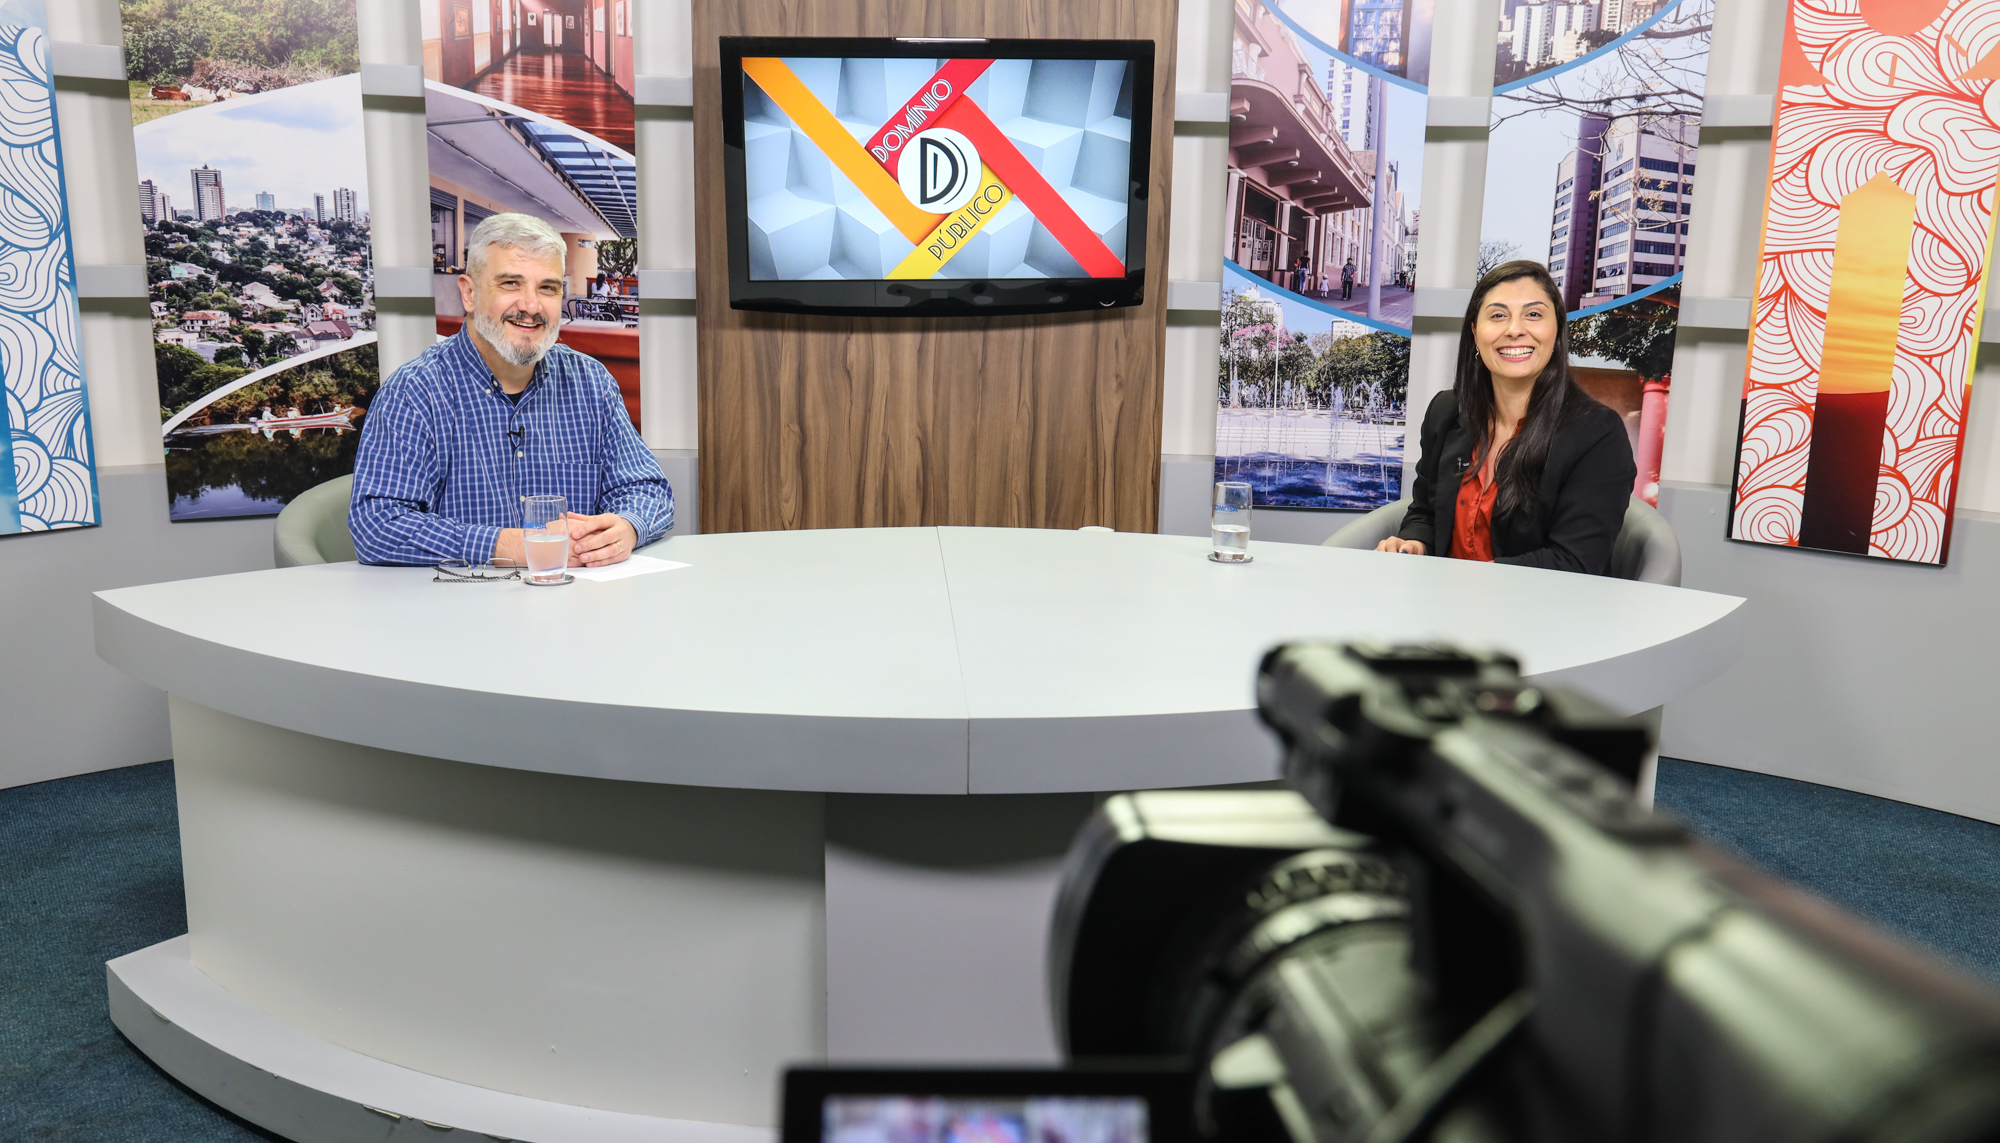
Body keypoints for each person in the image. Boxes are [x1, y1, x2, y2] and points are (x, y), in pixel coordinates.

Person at [350, 212, 671, 567]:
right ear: (469, 293)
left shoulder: (591, 382)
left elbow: (647, 488)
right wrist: (509, 545)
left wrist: (626, 527)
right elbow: (377, 526)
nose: (531, 307)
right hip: (461, 610)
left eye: (547, 288)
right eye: (510, 284)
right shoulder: (415, 392)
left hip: (578, 606)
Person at [1376, 260, 1634, 574]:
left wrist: (1462, 584)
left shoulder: (1597, 434)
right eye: (1498, 315)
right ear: (1474, 332)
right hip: (1442, 606)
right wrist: (1413, 543)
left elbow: (1575, 562)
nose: (1514, 330)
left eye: (1534, 314)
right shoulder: (1446, 412)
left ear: (1557, 331)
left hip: (1537, 615)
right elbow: (1425, 514)